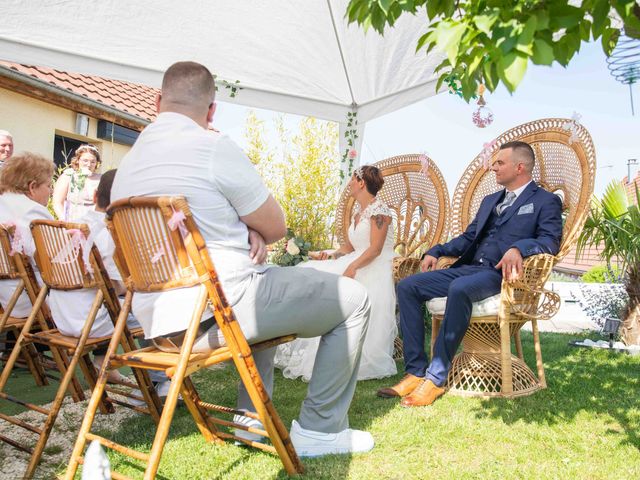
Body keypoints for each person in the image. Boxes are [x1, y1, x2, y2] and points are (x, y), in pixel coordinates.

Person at [111, 61, 374, 456]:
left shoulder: (127, 167)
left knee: (258, 283)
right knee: (354, 300)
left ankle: (250, 421)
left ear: (157, 101)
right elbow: (276, 226)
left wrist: (241, 228)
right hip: (216, 316)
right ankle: (321, 431)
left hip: (160, 326)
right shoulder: (212, 147)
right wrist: (252, 227)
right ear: (212, 110)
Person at [377, 141, 563, 407]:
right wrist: (437, 250)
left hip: (500, 275)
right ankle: (415, 372)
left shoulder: (545, 201)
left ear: (519, 167)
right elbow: (468, 238)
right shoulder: (490, 201)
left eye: (500, 163)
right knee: (408, 286)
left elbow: (550, 241)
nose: (493, 168)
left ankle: (435, 379)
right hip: (469, 268)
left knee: (460, 289)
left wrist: (518, 248)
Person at [47, 170, 169, 388]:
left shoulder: (73, 225)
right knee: (152, 309)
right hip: (90, 321)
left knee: (117, 301)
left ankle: (103, 360)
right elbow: (114, 288)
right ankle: (160, 384)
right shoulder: (110, 232)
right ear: (125, 203)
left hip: (61, 316)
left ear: (95, 196)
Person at [275, 165, 397, 381]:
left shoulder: (380, 211)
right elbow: (350, 248)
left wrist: (352, 267)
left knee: (330, 283)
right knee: (307, 270)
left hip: (373, 265)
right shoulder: (359, 213)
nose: (349, 183)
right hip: (357, 258)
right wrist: (328, 255)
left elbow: (375, 249)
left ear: (361, 182)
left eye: (352, 178)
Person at [0, 152, 54, 318]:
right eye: (49, 185)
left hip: (5, 297)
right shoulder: (32, 210)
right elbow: (54, 260)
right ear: (32, 187)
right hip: (31, 297)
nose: (51, 191)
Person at [52, 144, 102, 221]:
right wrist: (65, 221)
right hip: (72, 221)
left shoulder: (100, 179)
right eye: (85, 160)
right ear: (78, 160)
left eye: (93, 162)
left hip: (94, 222)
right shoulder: (68, 176)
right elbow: (57, 202)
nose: (89, 165)